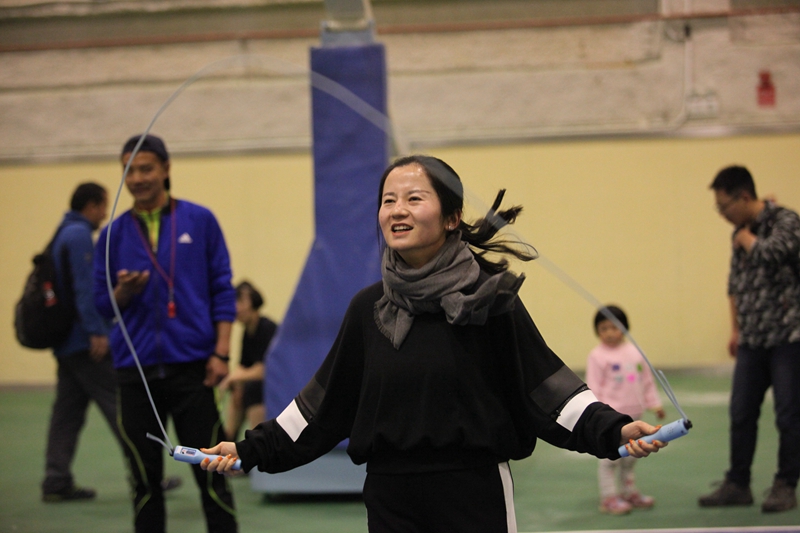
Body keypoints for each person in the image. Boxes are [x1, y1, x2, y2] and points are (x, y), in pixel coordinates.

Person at [200, 154, 666, 533]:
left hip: (473, 491)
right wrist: (249, 449)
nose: (396, 210)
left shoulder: (489, 298)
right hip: (390, 496)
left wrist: (613, 429)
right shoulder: (367, 309)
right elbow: (321, 408)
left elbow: (545, 387)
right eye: (388, 200)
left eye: (413, 198)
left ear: (451, 217)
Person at [93, 134, 237, 533]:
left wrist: (221, 353)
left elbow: (222, 289)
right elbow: (101, 305)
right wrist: (123, 292)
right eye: (129, 170)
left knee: (212, 474)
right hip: (135, 375)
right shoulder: (111, 235)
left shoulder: (200, 221)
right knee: (144, 482)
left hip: (193, 371)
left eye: (146, 168)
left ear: (166, 169)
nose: (137, 178)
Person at [699, 165, 800, 513]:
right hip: (752, 341)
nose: (722, 214)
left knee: (788, 415)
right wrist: (735, 330)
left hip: (788, 336)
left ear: (744, 197)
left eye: (724, 206)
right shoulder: (741, 231)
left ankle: (786, 485)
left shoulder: (786, 221)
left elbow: (774, 253)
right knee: (741, 413)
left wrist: (746, 239)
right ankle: (737, 483)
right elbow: (736, 285)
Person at [40, 182, 116, 502]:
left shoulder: (62, 232)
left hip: (65, 343)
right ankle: (147, 472)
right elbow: (86, 289)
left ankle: (56, 479)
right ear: (91, 205)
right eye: (103, 206)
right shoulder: (79, 235)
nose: (104, 214)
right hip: (84, 342)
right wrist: (97, 331)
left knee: (66, 414)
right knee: (121, 405)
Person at [586, 305, 665, 515]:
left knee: (630, 458)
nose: (610, 333)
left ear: (625, 328)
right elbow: (593, 387)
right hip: (611, 420)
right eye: (604, 328)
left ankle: (628, 492)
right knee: (609, 460)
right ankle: (609, 497)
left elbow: (647, 381)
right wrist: (597, 416)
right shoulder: (597, 356)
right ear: (597, 331)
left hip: (635, 417)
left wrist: (654, 403)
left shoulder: (635, 353)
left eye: (615, 327)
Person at [219, 281, 278, 441]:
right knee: (239, 389)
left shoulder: (267, 328)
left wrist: (231, 378)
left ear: (251, 303)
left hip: (272, 387)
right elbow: (243, 366)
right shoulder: (247, 333)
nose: (235, 308)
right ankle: (229, 439)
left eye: (239, 301)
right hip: (254, 388)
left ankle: (257, 440)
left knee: (252, 389)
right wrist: (235, 384)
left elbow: (264, 370)